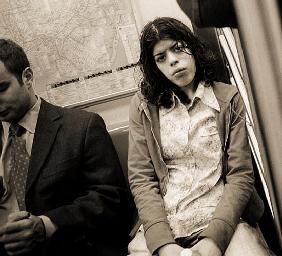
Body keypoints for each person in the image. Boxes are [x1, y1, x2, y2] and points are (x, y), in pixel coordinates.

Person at [128, 17, 271, 256]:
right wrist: (163, 245)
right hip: (168, 223)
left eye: (178, 48)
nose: (173, 61)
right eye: (161, 58)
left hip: (222, 218)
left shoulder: (227, 98)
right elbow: (142, 179)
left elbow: (240, 175)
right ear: (155, 67)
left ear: (193, 47)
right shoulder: (143, 106)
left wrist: (213, 241)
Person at [0, 38, 133, 256]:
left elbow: (111, 199)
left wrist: (47, 224)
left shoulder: (81, 126)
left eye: (2, 88)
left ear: (27, 77)